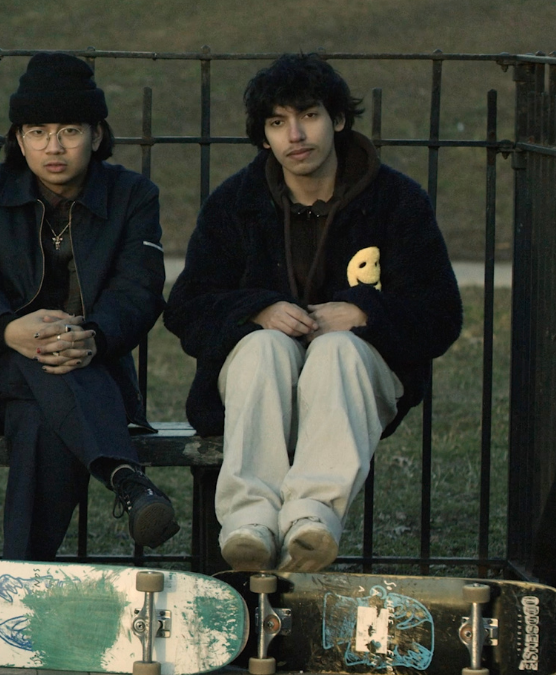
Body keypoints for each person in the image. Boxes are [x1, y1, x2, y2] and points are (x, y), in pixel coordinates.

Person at [165, 53, 463, 572]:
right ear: (263, 137)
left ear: (338, 119)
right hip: (258, 378)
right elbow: (186, 307)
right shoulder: (236, 202)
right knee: (265, 346)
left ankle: (312, 520)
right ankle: (250, 523)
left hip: (355, 378)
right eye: (277, 123)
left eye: (308, 116)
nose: (295, 135)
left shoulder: (395, 200)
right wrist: (257, 309)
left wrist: (363, 311)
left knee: (337, 347)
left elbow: (440, 313)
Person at [0, 52, 179, 562]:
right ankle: (125, 476)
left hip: (87, 363)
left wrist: (94, 336)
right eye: (38, 131)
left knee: (42, 417)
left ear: (96, 134)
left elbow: (139, 291)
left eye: (70, 130)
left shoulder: (133, 196)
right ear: (19, 138)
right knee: (39, 364)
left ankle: (20, 580)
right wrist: (9, 330)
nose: (54, 146)